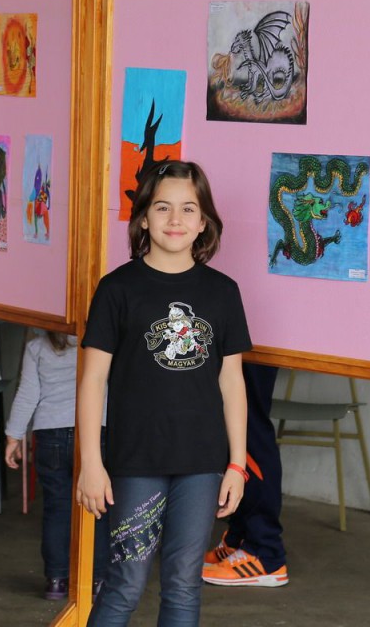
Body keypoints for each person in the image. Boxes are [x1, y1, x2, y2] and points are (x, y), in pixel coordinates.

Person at [76, 160, 249, 627]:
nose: (176, 219)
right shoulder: (117, 289)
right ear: (143, 218)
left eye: (188, 209)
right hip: (136, 461)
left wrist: (236, 463)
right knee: (125, 583)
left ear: (203, 221)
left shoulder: (223, 292)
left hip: (202, 463)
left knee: (183, 584)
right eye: (163, 207)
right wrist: (91, 463)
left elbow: (232, 382)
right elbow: (92, 380)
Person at [4, 329, 108, 600]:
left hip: (50, 433)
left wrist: (14, 435)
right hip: (97, 431)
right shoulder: (103, 339)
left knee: (56, 507)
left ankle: (56, 580)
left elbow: (28, 393)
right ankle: (98, 579)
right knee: (100, 507)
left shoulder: (37, 345)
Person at [200, 361, 289, 586]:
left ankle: (265, 553)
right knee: (234, 423)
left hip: (258, 346)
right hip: (246, 343)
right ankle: (239, 539)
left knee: (250, 427)